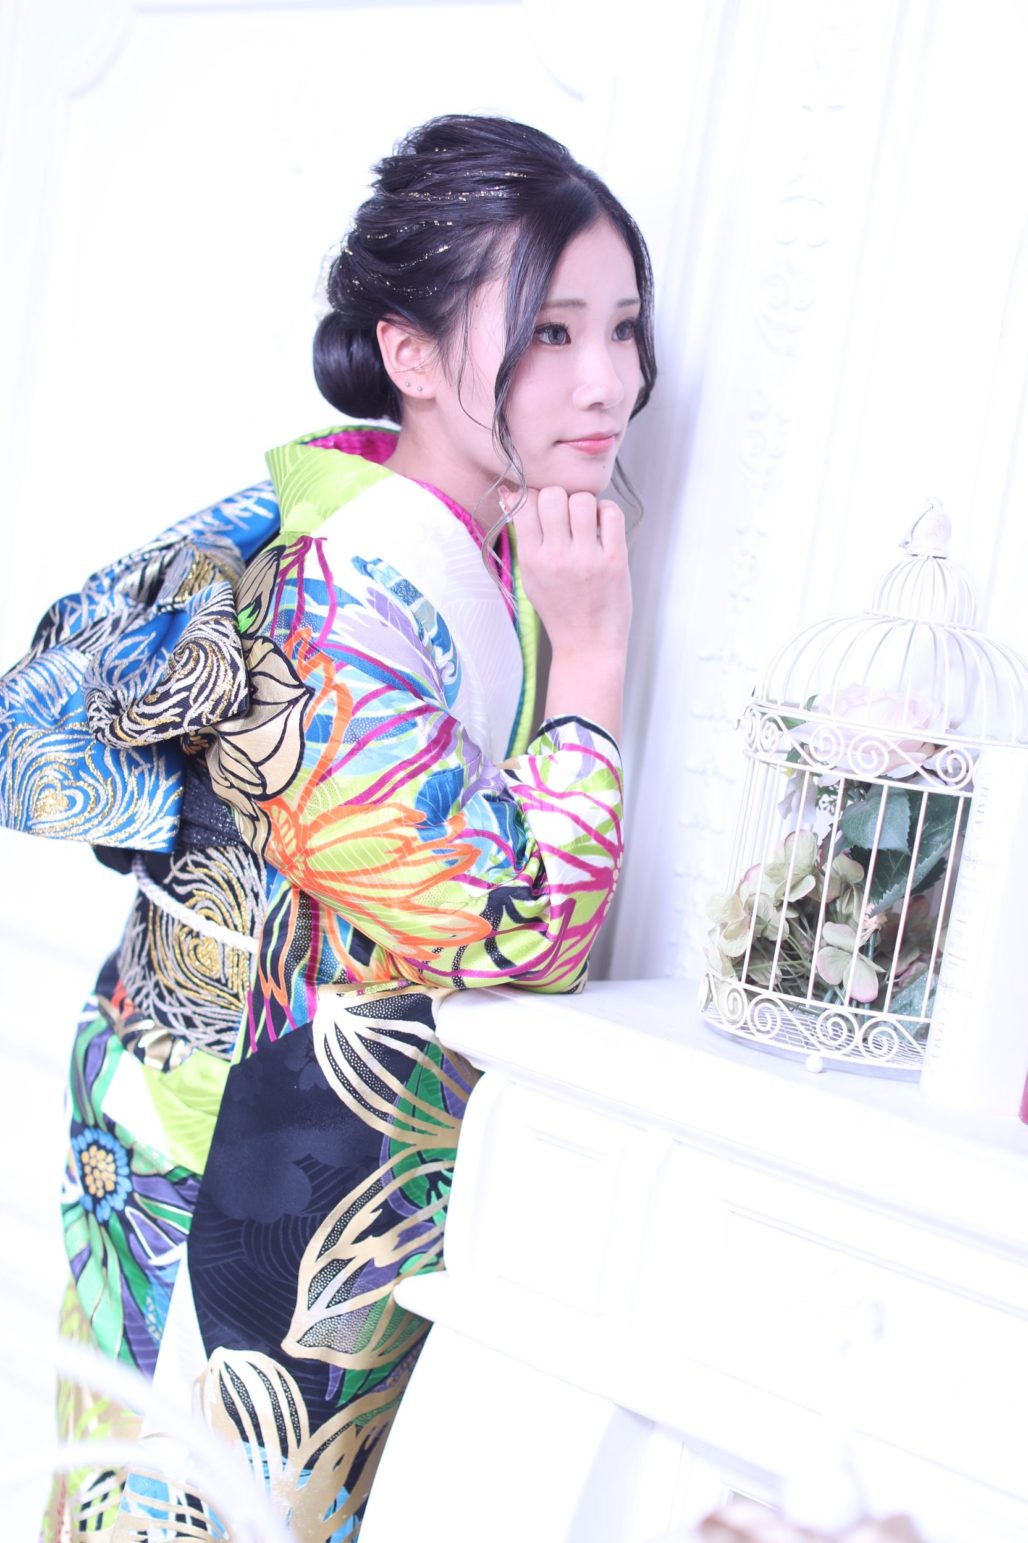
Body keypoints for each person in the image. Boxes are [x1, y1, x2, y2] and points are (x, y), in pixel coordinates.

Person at [0, 113, 656, 1539]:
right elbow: (513, 925)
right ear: (408, 352)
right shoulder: (350, 589)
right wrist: (594, 663)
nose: (606, 378)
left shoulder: (470, 550)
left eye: (622, 328)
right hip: (228, 1147)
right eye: (548, 331)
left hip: (294, 1129)